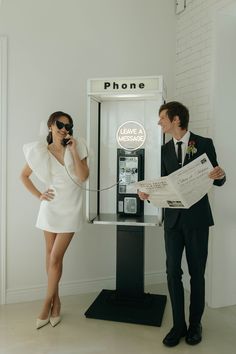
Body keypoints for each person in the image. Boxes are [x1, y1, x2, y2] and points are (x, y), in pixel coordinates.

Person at [139, 101, 226, 347]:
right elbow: (162, 184)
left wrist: (220, 175)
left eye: (162, 119)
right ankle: (178, 325)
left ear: (176, 119)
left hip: (198, 221)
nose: (159, 123)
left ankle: (195, 324)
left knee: (197, 274)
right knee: (172, 273)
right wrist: (147, 193)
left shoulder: (204, 143)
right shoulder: (164, 149)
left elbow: (218, 179)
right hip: (173, 222)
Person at [21, 111, 89, 329]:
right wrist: (39, 194)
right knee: (51, 258)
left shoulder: (78, 146)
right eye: (60, 124)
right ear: (51, 125)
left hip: (71, 209)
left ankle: (45, 304)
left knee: (54, 259)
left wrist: (74, 150)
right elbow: (23, 176)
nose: (64, 129)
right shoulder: (41, 151)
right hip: (50, 209)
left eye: (68, 126)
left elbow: (83, 176)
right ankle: (56, 302)